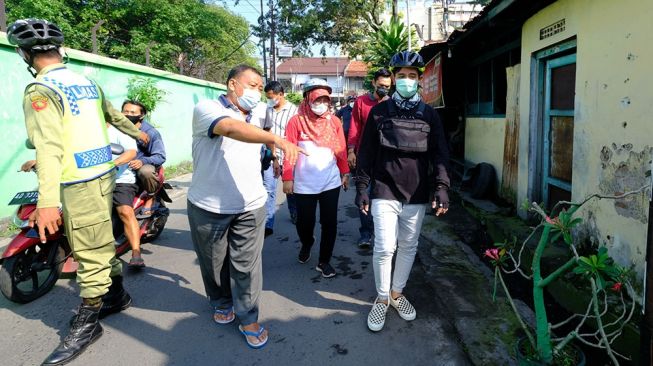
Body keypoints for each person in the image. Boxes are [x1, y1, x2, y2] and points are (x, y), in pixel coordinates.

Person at [8, 19, 149, 365]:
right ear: (59, 50)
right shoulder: (85, 80)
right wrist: (138, 133)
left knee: (88, 252)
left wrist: (47, 203)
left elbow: (49, 147)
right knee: (100, 241)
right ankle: (116, 296)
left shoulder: (41, 90)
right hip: (104, 175)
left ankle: (88, 322)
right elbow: (113, 116)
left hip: (77, 182)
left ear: (25, 54)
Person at [188, 65, 304, 349]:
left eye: (259, 86)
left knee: (247, 265)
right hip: (208, 205)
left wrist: (273, 154)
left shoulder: (262, 111)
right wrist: (274, 138)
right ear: (232, 84)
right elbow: (230, 129)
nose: (256, 91)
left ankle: (248, 316)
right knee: (214, 263)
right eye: (251, 85)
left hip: (251, 203)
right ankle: (220, 300)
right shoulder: (207, 108)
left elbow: (260, 134)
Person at [355, 51, 450, 332]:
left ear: (419, 80)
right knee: (385, 247)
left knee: (409, 246)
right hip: (384, 189)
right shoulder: (379, 111)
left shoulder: (430, 114)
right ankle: (382, 299)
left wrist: (442, 187)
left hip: (418, 192)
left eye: (412, 76)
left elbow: (441, 154)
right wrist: (362, 187)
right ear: (394, 79)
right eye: (402, 76)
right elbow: (366, 152)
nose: (407, 80)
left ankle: (397, 293)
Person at [282, 79, 350, 278]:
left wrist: (344, 173)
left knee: (330, 222)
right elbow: (289, 151)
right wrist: (288, 177)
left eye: (325, 99)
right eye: (317, 98)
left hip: (330, 181)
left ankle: (324, 261)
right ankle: (307, 242)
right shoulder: (296, 122)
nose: (321, 103)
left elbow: (341, 150)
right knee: (305, 222)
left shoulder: (334, 121)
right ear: (307, 98)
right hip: (304, 184)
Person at [347, 68, 393, 249]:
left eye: (387, 87)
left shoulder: (392, 103)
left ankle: (382, 233)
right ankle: (365, 234)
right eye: (381, 85)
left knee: (384, 196)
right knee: (363, 193)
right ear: (373, 83)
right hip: (364, 156)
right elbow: (354, 128)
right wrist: (351, 151)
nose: (384, 89)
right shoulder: (361, 102)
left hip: (386, 158)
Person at [120, 100, 166, 267]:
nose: (128, 115)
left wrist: (142, 161)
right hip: (119, 170)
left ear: (142, 115)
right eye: (125, 111)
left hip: (139, 170)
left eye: (133, 113)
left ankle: (151, 197)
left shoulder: (150, 132)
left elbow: (160, 156)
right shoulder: (116, 128)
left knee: (125, 211)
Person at [263, 81, 299, 232]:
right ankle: (268, 223)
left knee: (290, 189)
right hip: (270, 155)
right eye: (267, 97)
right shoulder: (266, 110)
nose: (270, 100)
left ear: (281, 94)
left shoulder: (294, 111)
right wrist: (274, 158)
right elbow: (266, 134)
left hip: (289, 156)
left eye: (272, 97)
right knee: (269, 189)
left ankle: (294, 213)